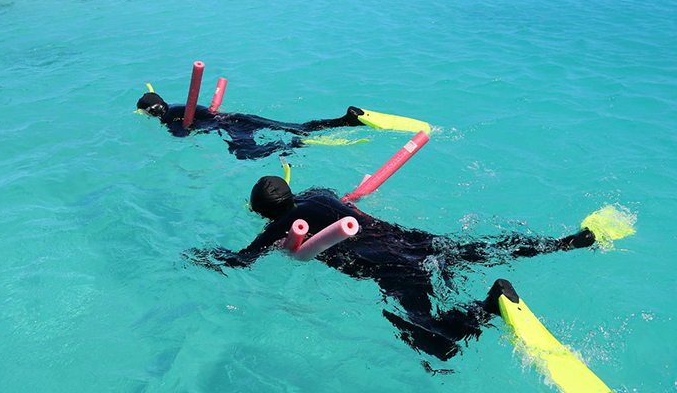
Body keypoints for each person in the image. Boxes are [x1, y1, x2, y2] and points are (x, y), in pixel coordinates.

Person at [186, 176, 596, 362]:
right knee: (475, 249)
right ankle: (560, 243)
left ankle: (488, 306)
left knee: (434, 341)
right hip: (411, 239)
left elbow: (241, 259)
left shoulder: (279, 226)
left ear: (263, 213)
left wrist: (198, 258)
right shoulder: (321, 194)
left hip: (389, 266)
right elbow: (328, 195)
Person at [137, 91, 366, 160]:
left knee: (244, 153)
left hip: (231, 127)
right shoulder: (178, 105)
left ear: (150, 112)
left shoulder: (168, 119)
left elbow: (181, 135)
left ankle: (291, 145)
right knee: (297, 125)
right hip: (237, 117)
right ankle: (345, 120)